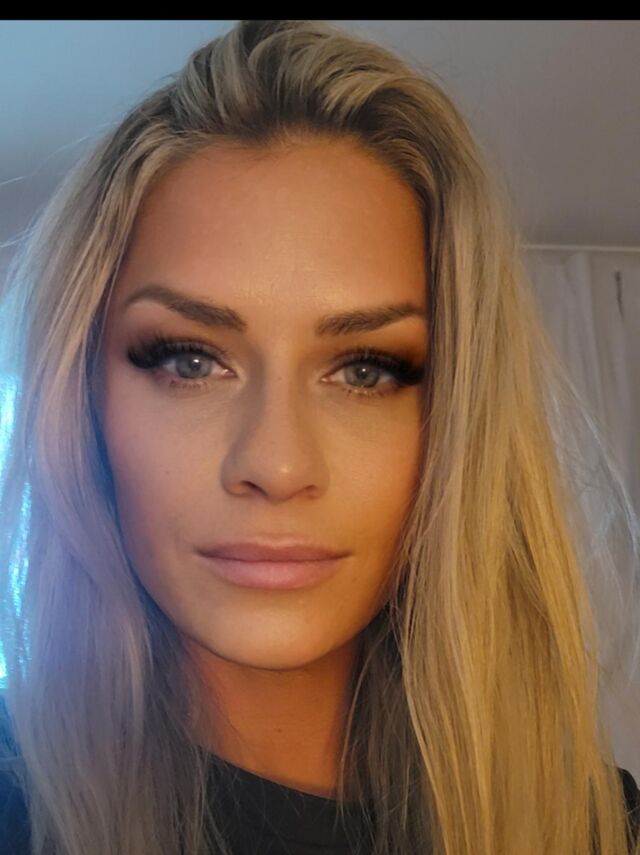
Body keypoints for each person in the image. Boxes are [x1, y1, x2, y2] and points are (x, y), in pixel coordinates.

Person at [0, 19, 638, 855]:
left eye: (366, 370)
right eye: (190, 360)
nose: (276, 463)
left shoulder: (600, 825)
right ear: (81, 400)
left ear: (459, 418)